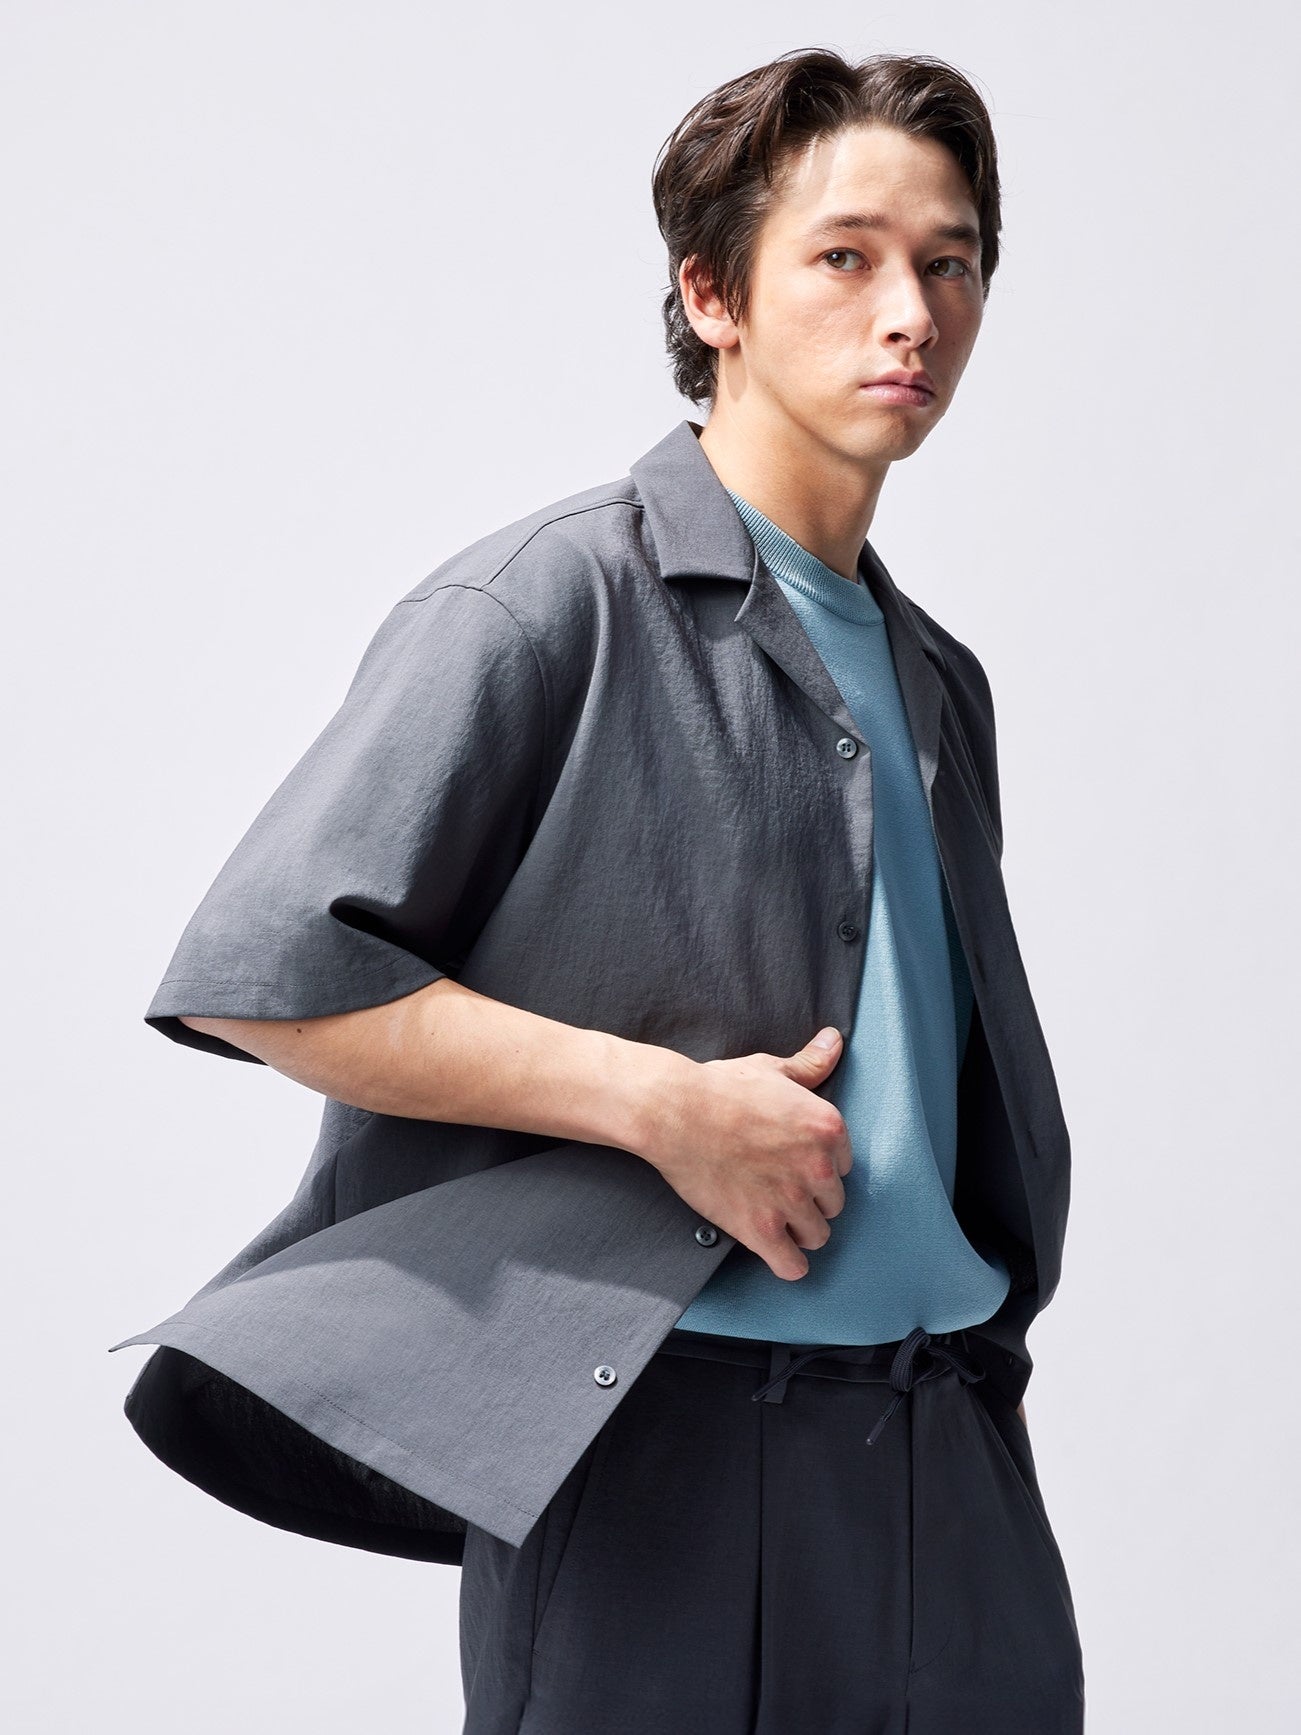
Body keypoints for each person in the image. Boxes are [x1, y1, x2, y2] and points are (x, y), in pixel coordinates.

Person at [111, 45, 1085, 1734]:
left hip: (949, 1461)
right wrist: (659, 1107)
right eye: (843, 256)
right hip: (665, 1464)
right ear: (711, 294)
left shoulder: (938, 679)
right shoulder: (546, 602)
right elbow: (266, 977)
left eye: (949, 264)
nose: (909, 313)